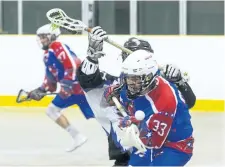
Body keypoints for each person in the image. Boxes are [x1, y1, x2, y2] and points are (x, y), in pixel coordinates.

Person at [76, 26, 196, 166]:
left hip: (162, 143)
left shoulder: (163, 89)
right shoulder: (124, 79)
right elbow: (88, 81)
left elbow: (188, 103)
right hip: (133, 146)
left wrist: (179, 81)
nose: (132, 81)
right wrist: (92, 56)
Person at [105, 49, 194, 166]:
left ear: (149, 77)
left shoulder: (166, 99)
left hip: (175, 146)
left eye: (136, 79)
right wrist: (112, 94)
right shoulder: (137, 84)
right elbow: (116, 95)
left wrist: (135, 123)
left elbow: (153, 141)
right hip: (149, 137)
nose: (131, 84)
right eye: (129, 78)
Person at [28, 24, 94, 152]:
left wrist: (67, 85)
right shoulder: (47, 55)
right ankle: (77, 136)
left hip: (80, 89)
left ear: (52, 36)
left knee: (102, 115)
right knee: (52, 110)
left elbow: (73, 65)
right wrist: (41, 90)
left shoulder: (57, 46)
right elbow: (50, 79)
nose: (41, 40)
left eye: (43, 37)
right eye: (40, 38)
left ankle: (130, 134)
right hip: (72, 92)